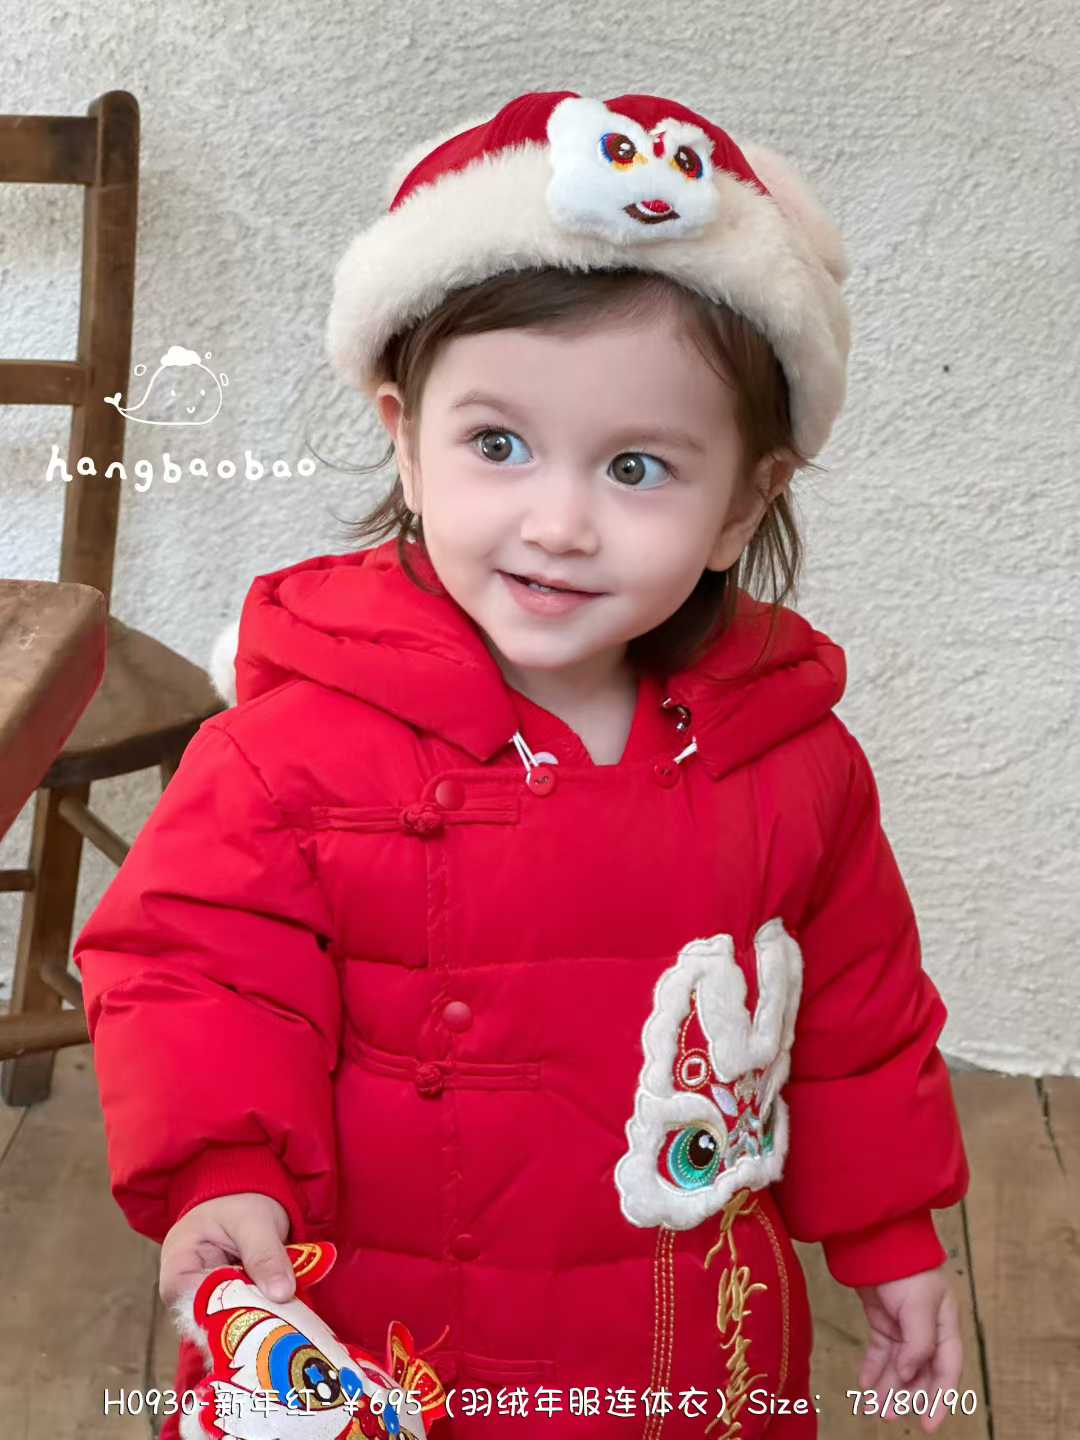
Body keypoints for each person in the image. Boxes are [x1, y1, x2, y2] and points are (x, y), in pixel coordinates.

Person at [73, 89, 969, 1439]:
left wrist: (891, 1232)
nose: (559, 521)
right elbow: (196, 970)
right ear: (403, 438)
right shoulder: (289, 749)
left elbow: (859, 1016)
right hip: (374, 1344)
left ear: (744, 505)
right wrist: (221, 1170)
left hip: (677, 1346)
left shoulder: (793, 763)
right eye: (498, 445)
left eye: (638, 467)